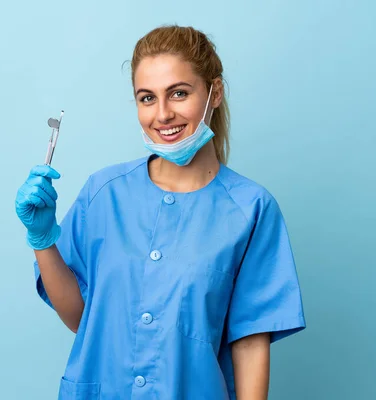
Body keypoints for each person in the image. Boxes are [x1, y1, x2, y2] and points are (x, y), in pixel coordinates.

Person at [15, 25, 306, 400]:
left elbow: (249, 345)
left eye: (179, 93)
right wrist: (44, 240)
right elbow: (80, 319)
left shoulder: (250, 210)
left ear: (213, 93)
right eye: (147, 98)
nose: (163, 114)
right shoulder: (104, 194)